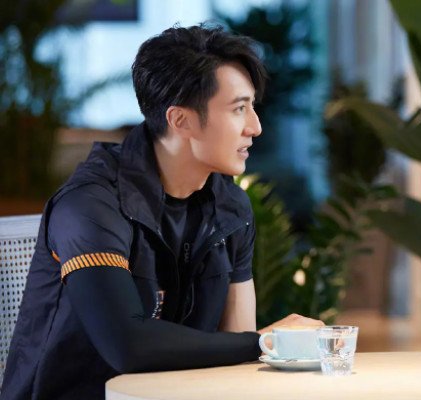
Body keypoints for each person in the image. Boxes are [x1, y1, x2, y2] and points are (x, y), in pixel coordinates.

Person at [1, 23, 323, 400]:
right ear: (180, 120)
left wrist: (262, 346)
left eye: (252, 106)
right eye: (239, 109)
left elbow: (238, 351)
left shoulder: (231, 208)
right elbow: (128, 346)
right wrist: (267, 342)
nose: (255, 126)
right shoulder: (90, 205)